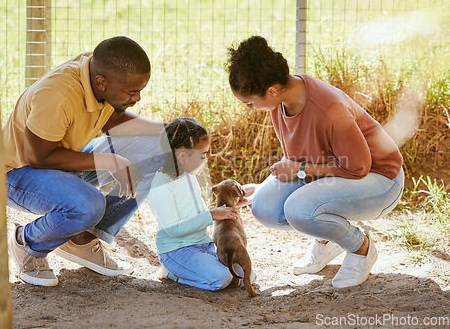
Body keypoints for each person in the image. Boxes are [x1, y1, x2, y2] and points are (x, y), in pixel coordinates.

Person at [226, 36, 404, 288]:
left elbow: (358, 167)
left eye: (250, 103)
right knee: (264, 206)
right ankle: (326, 239)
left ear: (271, 91)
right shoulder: (281, 103)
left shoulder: (329, 108)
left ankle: (361, 248)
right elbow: (301, 157)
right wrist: (266, 184)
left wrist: (299, 169)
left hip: (381, 179)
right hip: (339, 175)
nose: (250, 108)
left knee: (299, 210)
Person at [4, 36, 165, 286]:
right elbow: (37, 157)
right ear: (102, 83)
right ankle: (27, 243)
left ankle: (80, 239)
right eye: (132, 92)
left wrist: (166, 130)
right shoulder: (58, 95)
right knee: (88, 205)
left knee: (158, 148)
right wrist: (109, 161)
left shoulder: (98, 75)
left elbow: (110, 119)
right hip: (15, 172)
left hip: (58, 159)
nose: (138, 98)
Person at [147, 117, 250, 291]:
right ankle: (172, 273)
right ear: (182, 156)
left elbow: (195, 212)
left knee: (245, 272)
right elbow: (173, 229)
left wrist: (222, 210)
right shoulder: (161, 186)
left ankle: (199, 268)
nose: (206, 160)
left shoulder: (189, 176)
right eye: (202, 156)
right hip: (178, 251)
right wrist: (211, 215)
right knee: (222, 278)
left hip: (204, 245)